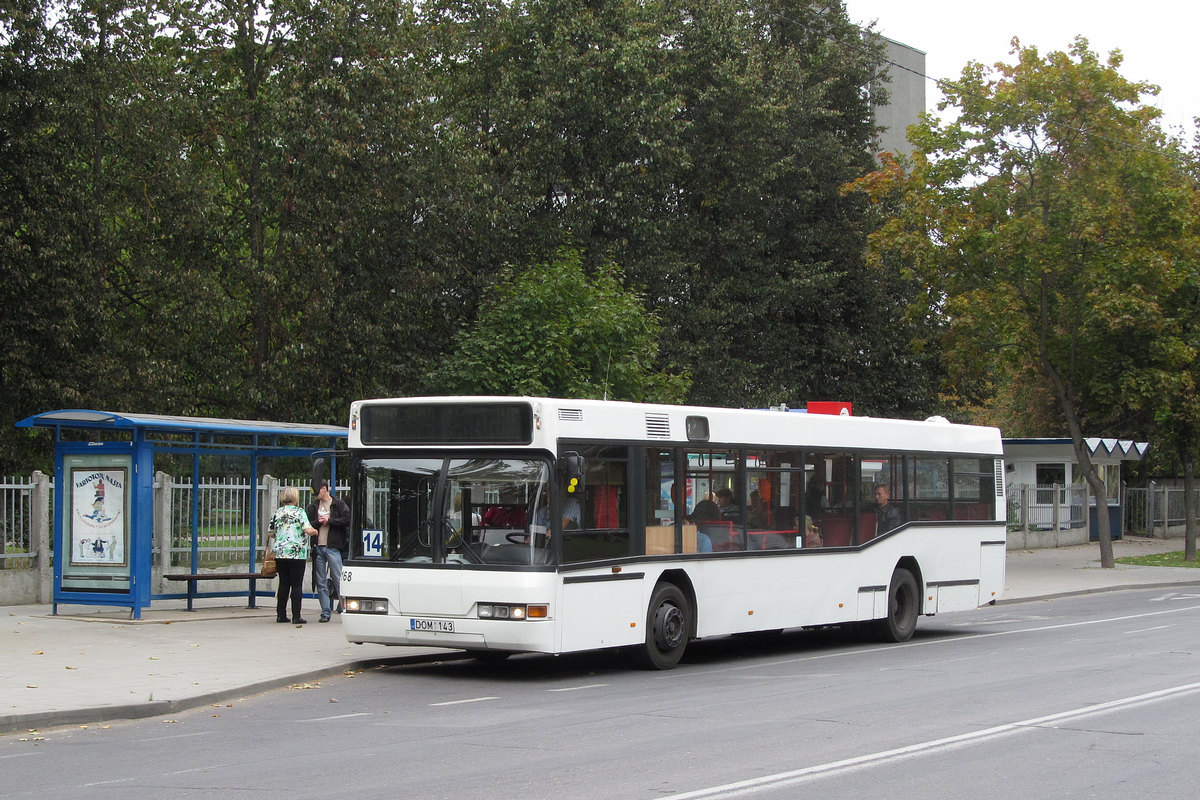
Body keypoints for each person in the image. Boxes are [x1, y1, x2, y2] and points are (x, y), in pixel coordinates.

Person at [269, 487, 317, 625]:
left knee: (283, 583)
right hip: (296, 552)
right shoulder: (299, 512)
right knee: (296, 584)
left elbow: (270, 533)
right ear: (295, 498)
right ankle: (296, 615)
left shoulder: (277, 512)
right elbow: (307, 529)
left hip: (280, 552)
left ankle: (281, 614)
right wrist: (315, 531)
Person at [306, 479, 350, 623]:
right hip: (319, 546)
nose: (315, 495)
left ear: (324, 489)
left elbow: (347, 520)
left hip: (333, 546)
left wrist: (330, 520)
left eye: (317, 491)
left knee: (338, 578)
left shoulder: (338, 504)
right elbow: (308, 524)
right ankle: (325, 612)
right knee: (321, 581)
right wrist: (318, 522)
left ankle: (345, 609)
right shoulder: (313, 507)